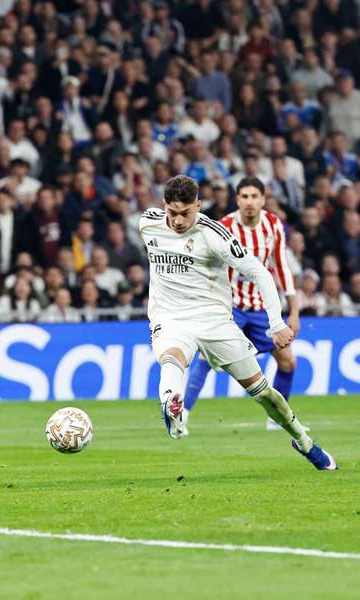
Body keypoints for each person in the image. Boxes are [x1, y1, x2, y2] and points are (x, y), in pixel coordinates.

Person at [138, 175, 334, 470]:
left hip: (215, 321)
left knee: (263, 392)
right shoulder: (148, 223)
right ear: (164, 206)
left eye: (185, 213)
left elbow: (261, 273)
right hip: (171, 318)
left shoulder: (214, 235)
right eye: (172, 213)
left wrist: (276, 322)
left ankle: (303, 441)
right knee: (170, 359)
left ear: (198, 206)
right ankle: (172, 407)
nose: (178, 221)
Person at [183, 177, 300, 431]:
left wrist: (294, 310)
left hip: (260, 309)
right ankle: (183, 413)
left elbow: (280, 266)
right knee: (205, 357)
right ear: (237, 200)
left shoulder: (272, 224)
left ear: (263, 199)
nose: (249, 202)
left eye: (254, 196)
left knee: (288, 362)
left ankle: (277, 419)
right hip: (230, 307)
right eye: (244, 196)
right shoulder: (224, 226)